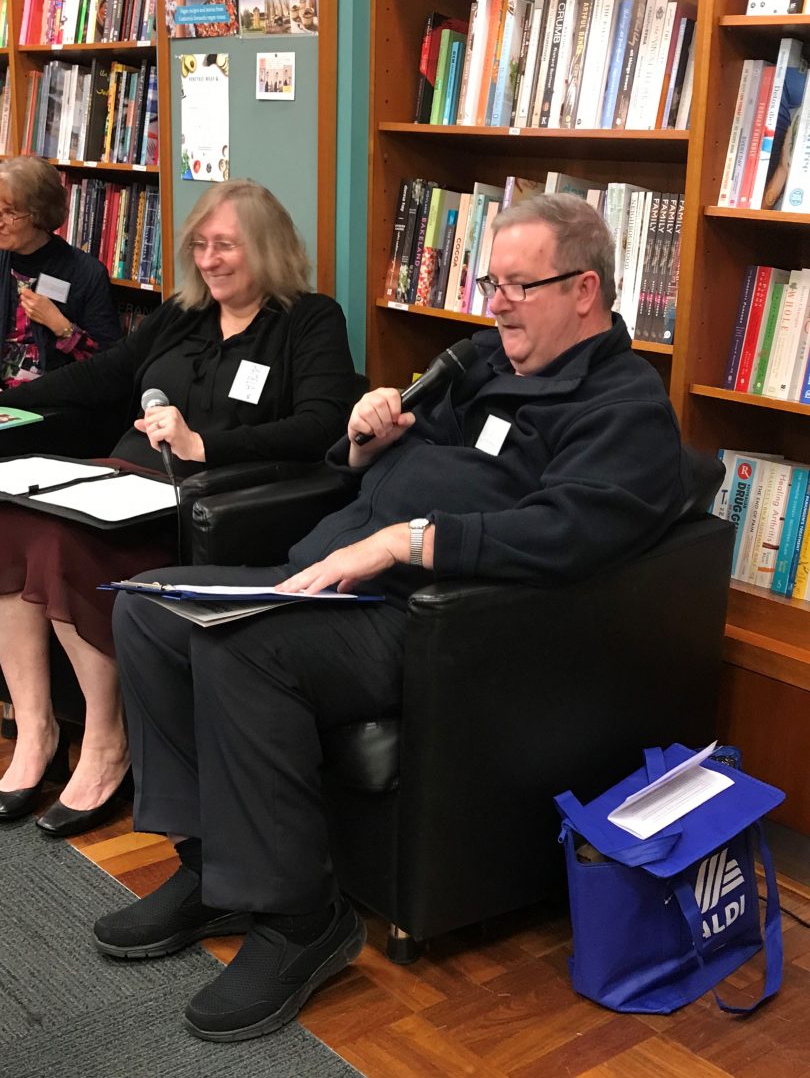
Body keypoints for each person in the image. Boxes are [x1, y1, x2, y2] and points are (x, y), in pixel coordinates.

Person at [99, 193, 688, 1042]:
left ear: (585, 290)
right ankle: (212, 871)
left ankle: (302, 921)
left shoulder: (623, 409)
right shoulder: (486, 362)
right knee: (152, 610)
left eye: (518, 286)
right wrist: (372, 435)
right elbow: (394, 449)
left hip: (430, 619)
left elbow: (569, 531)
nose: (495, 302)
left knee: (241, 650)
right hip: (328, 569)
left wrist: (406, 541)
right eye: (493, 281)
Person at [0, 178, 357, 838]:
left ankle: (108, 747)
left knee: (56, 544)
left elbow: (321, 425)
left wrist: (204, 445)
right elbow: (103, 375)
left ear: (270, 248)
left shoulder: (310, 320)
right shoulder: (184, 313)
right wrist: (14, 402)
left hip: (197, 502)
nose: (210, 259)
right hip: (116, 478)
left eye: (227, 245)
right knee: (10, 520)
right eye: (200, 244)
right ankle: (37, 731)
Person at [0, 155, 121, 390]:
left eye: (9, 213)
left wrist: (61, 326)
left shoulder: (86, 273)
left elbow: (111, 364)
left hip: (52, 404)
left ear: (38, 214)